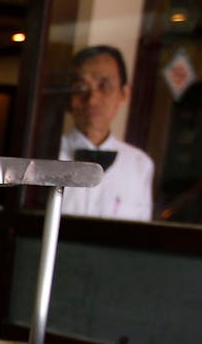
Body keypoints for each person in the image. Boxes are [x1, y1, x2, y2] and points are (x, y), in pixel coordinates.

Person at [57, 44, 155, 221]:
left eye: (104, 86)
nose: (93, 99)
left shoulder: (140, 165)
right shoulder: (46, 157)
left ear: (124, 94)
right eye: (81, 87)